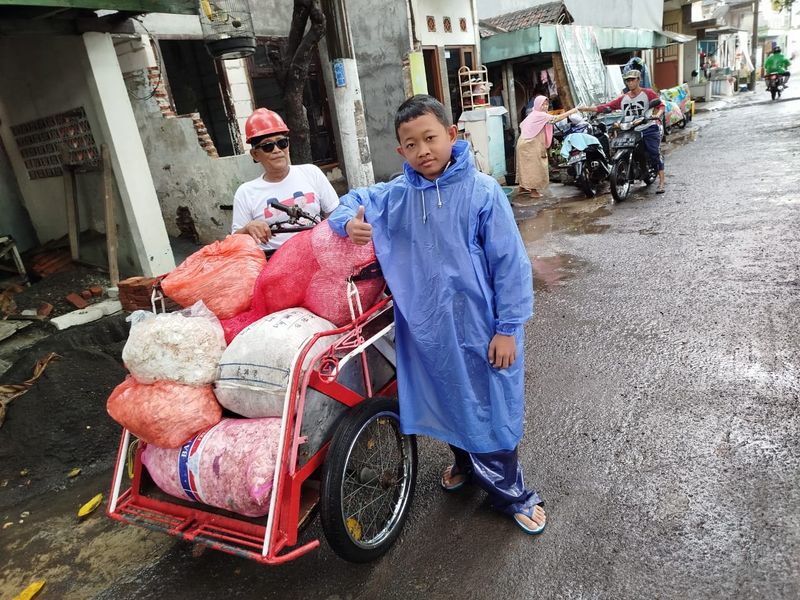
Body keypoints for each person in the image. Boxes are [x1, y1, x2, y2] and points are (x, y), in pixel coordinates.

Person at [327, 94, 546, 535]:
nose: (423, 150)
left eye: (430, 138)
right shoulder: (399, 195)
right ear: (400, 150)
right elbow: (351, 199)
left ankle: (513, 495)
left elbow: (510, 265)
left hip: (483, 326)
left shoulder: (482, 192)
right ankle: (465, 467)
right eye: (411, 144)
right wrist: (346, 222)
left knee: (492, 407)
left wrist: (507, 329)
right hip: (429, 329)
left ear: (450, 134)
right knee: (449, 401)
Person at [232, 108, 339, 256]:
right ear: (255, 154)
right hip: (273, 264)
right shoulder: (246, 193)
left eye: (282, 143)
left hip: (317, 255)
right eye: (268, 146)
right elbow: (235, 241)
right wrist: (247, 228)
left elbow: (335, 213)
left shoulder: (311, 173)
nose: (277, 150)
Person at [580, 70, 666, 194]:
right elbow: (605, 107)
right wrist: (586, 108)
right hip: (629, 128)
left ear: (638, 80)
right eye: (627, 80)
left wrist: (656, 115)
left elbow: (661, 105)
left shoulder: (648, 93)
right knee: (616, 146)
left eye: (632, 79)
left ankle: (662, 182)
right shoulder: (623, 98)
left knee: (654, 153)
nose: (630, 82)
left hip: (648, 127)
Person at [516, 96, 578, 198]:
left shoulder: (533, 114)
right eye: (542, 105)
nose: (545, 106)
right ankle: (533, 191)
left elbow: (521, 125)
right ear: (537, 105)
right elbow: (556, 119)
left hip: (523, 142)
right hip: (531, 143)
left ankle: (522, 187)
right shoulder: (541, 115)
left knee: (524, 166)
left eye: (546, 104)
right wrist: (571, 111)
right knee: (535, 167)